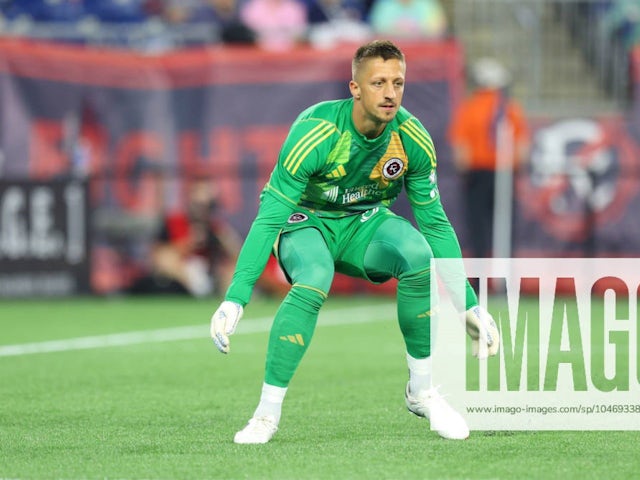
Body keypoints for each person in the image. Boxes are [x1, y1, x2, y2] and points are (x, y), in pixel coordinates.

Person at [209, 40, 499, 444]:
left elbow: (435, 224)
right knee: (315, 273)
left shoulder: (412, 138)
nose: (390, 92)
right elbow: (269, 217)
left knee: (417, 254)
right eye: (378, 82)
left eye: (398, 82)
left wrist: (468, 303)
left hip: (364, 222)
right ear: (354, 88)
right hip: (305, 220)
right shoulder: (318, 132)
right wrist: (236, 296)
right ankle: (266, 414)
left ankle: (422, 391)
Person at [448, 57, 530, 258]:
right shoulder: (509, 109)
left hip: (477, 174)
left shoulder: (469, 108)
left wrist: (466, 172)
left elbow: (461, 151)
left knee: (477, 228)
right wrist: (514, 169)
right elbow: (522, 147)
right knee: (505, 228)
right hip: (505, 173)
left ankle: (479, 280)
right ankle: (506, 278)